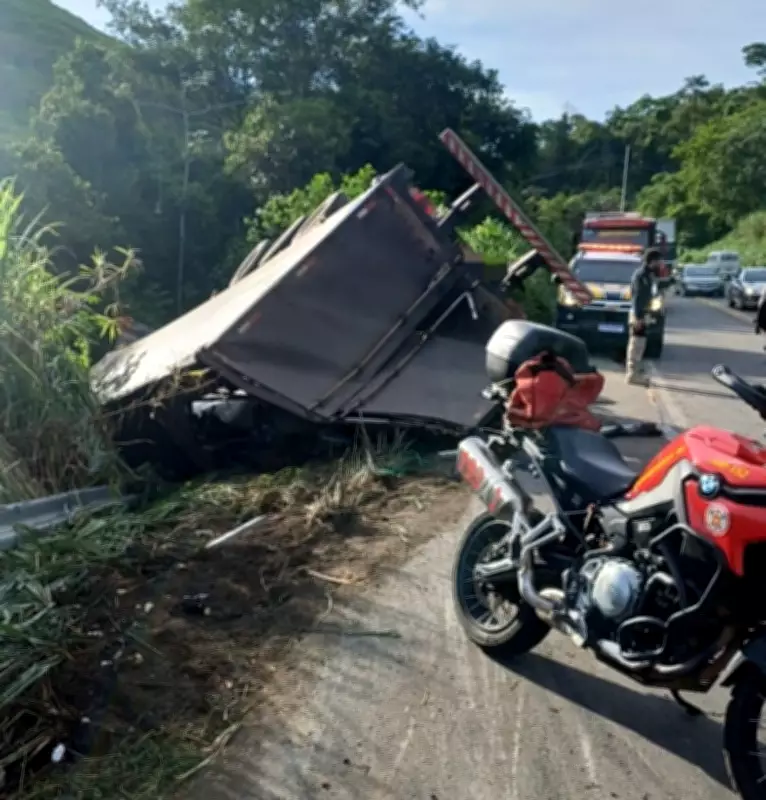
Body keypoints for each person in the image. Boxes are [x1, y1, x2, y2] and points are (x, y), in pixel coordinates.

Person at [626, 248, 661, 385]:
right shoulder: (641, 276)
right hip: (638, 314)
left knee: (640, 344)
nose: (661, 264)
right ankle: (632, 374)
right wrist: (638, 317)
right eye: (659, 261)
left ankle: (636, 372)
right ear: (652, 261)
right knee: (636, 344)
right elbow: (637, 297)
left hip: (643, 313)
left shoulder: (648, 275)